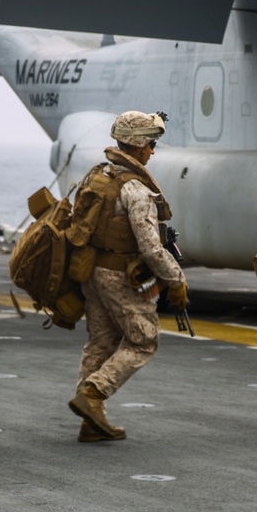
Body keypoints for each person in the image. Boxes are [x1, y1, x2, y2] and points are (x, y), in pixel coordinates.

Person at [67, 111, 189, 443]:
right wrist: (176, 280)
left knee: (101, 343)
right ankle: (93, 394)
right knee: (144, 339)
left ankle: (90, 422)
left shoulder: (99, 175)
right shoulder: (135, 190)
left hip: (90, 271)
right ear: (136, 146)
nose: (152, 151)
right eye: (150, 144)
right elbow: (151, 249)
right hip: (119, 276)